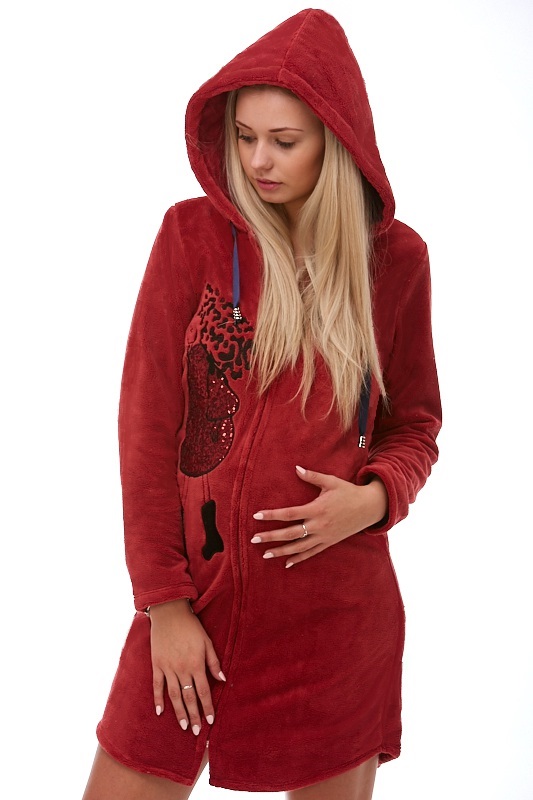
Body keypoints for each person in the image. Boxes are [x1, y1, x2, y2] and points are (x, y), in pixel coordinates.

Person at [82, 8, 441, 800]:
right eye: (244, 137)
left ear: (336, 142)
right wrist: (164, 606)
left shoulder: (395, 260)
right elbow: (146, 432)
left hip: (335, 617)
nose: (257, 160)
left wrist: (376, 498)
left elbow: (415, 423)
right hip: (198, 603)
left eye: (284, 141)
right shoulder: (191, 236)